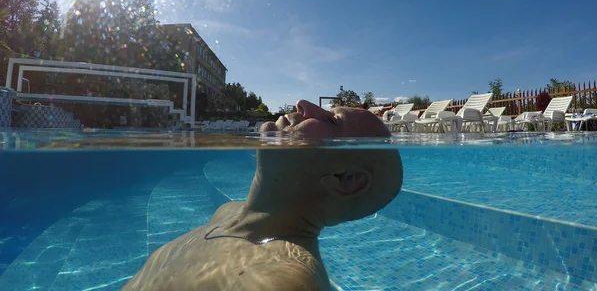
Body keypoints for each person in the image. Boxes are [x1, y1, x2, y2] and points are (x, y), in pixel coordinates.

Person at [122, 100, 403, 291]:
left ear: (346, 180)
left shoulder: (285, 279)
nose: (303, 105)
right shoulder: (227, 212)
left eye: (331, 120)